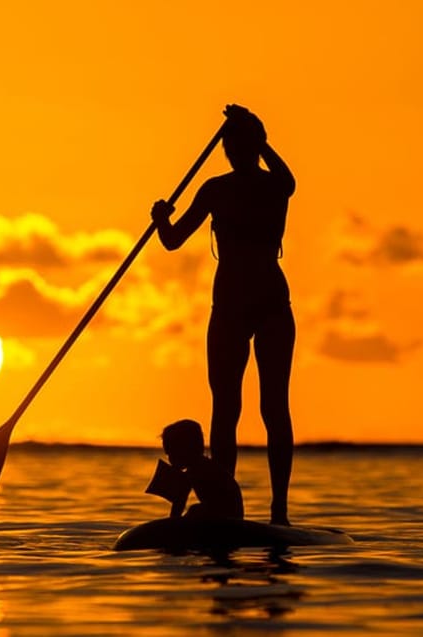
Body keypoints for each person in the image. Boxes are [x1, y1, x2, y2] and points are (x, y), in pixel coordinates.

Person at [150, 104, 296, 525]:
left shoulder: (275, 186)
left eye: (244, 144)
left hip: (270, 305)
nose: (237, 152)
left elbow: (290, 181)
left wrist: (256, 132)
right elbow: (174, 240)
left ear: (256, 145)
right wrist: (162, 220)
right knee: (226, 407)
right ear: (227, 149)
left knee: (274, 407)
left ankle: (279, 511)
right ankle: (223, 505)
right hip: (229, 307)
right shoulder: (215, 190)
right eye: (233, 145)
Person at [146, 419, 244, 520]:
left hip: (226, 517)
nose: (170, 459)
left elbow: (179, 501)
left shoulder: (199, 470)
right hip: (231, 516)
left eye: (171, 453)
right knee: (196, 510)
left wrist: (173, 524)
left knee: (195, 510)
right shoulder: (206, 466)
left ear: (186, 449)